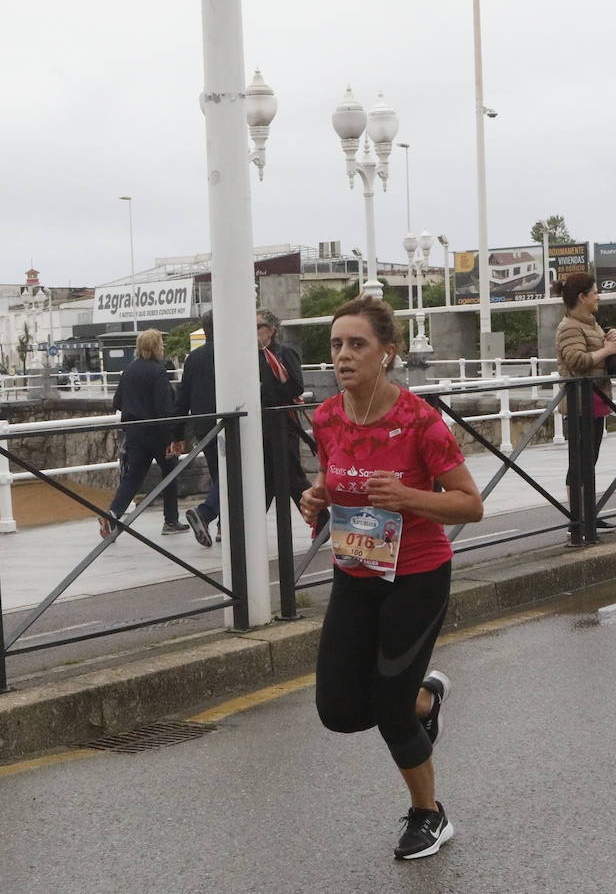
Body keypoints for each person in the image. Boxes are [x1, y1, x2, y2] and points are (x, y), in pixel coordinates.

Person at [300, 295, 483, 861]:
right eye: (336, 345)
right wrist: (317, 499)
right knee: (337, 709)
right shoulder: (328, 417)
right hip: (355, 574)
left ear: (387, 354)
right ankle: (424, 699)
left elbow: (470, 504)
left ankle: (430, 815)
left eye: (358, 345)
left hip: (417, 576)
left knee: (387, 708)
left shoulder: (419, 421)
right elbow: (339, 483)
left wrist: (410, 498)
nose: (344, 356)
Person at [103, 329, 190, 539]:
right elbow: (164, 407)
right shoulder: (157, 372)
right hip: (157, 433)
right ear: (153, 348)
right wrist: (172, 437)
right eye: (161, 346)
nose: (163, 349)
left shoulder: (129, 370)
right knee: (170, 473)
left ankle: (112, 515)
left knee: (133, 478)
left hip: (134, 433)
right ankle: (170, 520)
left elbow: (117, 402)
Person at [555, 272, 616, 531]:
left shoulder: (590, 323)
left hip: (594, 400)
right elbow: (577, 361)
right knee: (580, 461)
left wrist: (610, 339)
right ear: (582, 298)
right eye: (594, 293)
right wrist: (606, 349)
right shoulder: (570, 326)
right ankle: (577, 519)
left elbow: (597, 355)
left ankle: (588, 514)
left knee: (589, 460)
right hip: (580, 402)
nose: (598, 297)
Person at [170, 312, 219, 548]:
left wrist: (177, 435)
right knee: (235, 476)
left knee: (220, 475)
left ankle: (222, 526)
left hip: (203, 426)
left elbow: (183, 398)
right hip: (231, 423)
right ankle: (206, 513)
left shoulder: (194, 358)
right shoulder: (236, 353)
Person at [256, 309, 312, 512]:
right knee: (267, 477)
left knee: (292, 475)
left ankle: (320, 518)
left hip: (283, 423)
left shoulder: (284, 353)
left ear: (270, 330)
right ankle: (247, 527)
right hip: (261, 424)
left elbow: (296, 386)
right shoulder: (252, 357)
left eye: (257, 327)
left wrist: (263, 392)